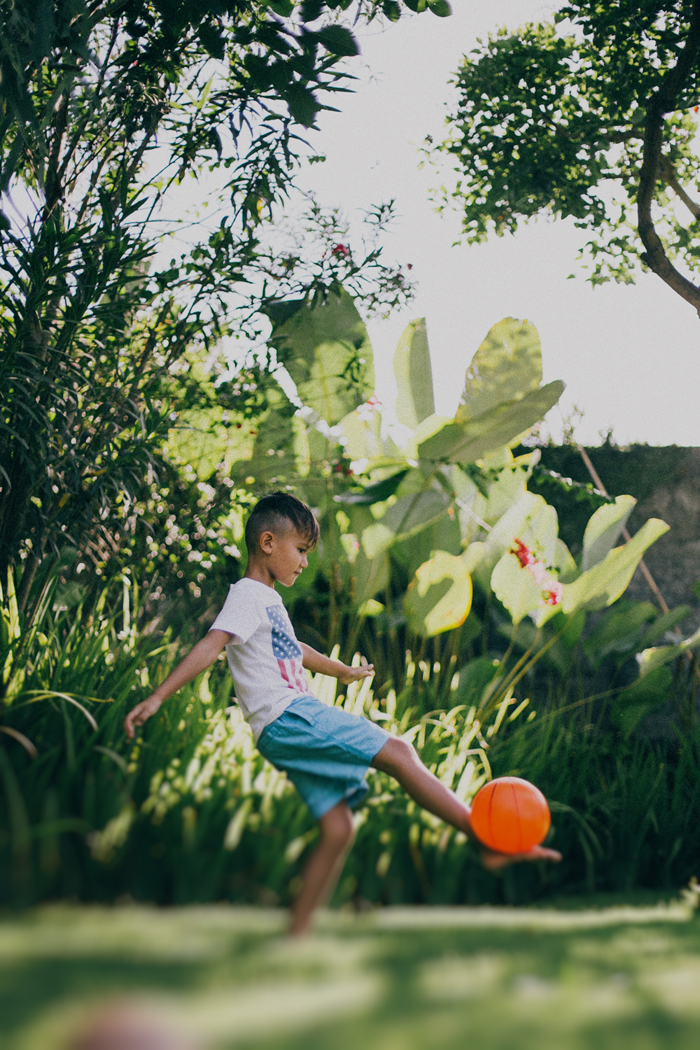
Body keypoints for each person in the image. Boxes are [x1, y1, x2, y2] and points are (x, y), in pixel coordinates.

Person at [125, 492, 561, 935]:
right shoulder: (247, 596)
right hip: (290, 716)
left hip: (279, 729)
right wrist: (158, 697)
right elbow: (211, 644)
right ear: (268, 542)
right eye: (300, 550)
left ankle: (296, 934)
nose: (304, 563)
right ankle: (485, 840)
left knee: (337, 830)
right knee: (399, 752)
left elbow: (292, 648)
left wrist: (341, 670)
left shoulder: (266, 600)